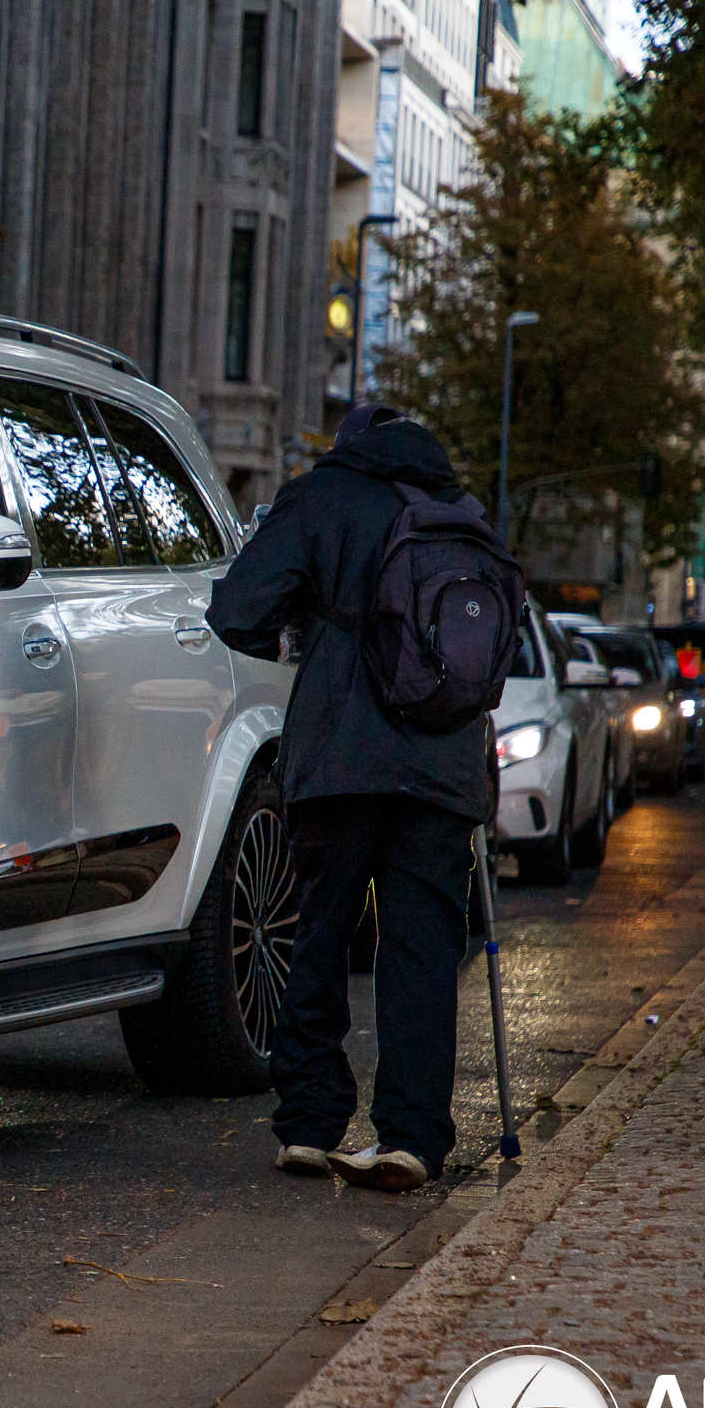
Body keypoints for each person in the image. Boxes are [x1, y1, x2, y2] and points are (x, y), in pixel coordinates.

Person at [206, 405, 491, 1193]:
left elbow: (235, 611)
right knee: (423, 951)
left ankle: (309, 1121)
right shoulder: (462, 513)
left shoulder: (321, 497)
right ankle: (411, 1137)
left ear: (347, 446)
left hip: (340, 755)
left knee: (320, 935)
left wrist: (304, 632)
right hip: (442, 766)